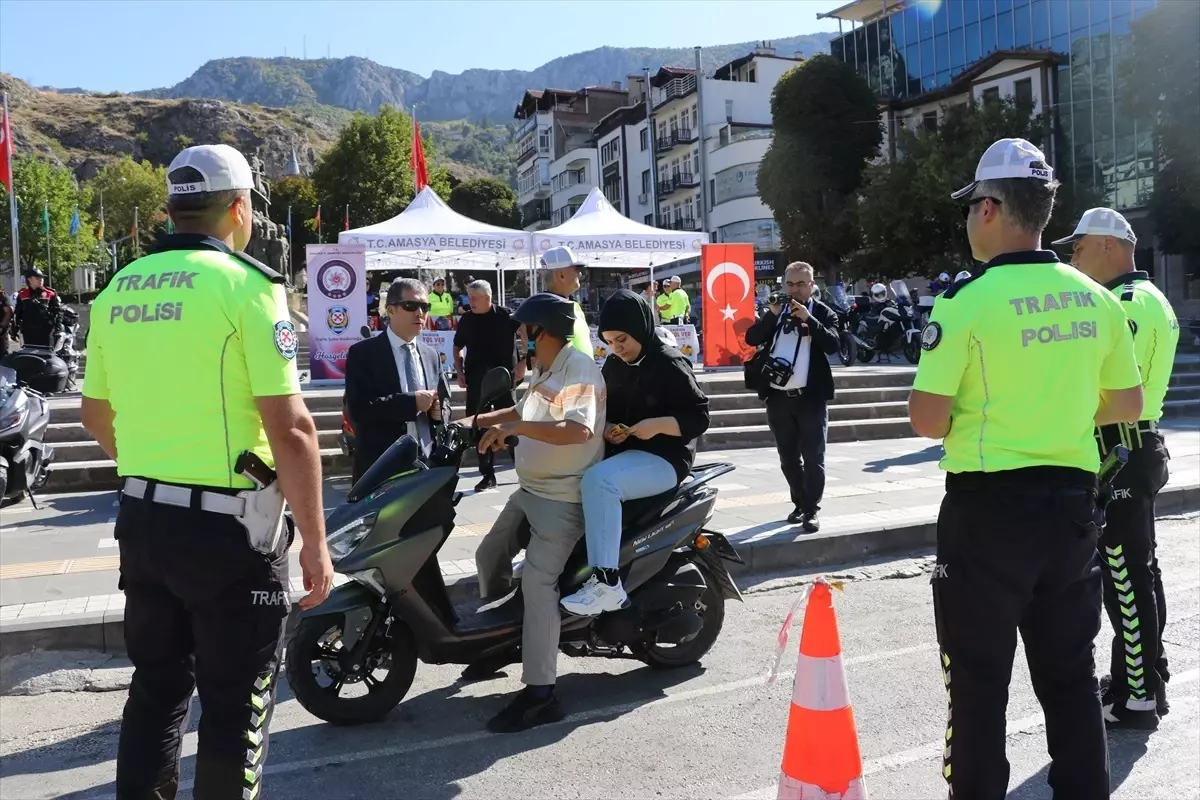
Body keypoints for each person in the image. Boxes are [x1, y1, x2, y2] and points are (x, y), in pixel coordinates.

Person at [80, 143, 334, 799]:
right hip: (230, 533)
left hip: (141, 522)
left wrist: (153, 467)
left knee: (156, 692)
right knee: (232, 706)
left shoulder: (117, 289)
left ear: (170, 210)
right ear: (240, 209)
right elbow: (293, 428)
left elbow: (93, 415)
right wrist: (317, 545)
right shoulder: (247, 287)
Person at [909, 138, 1143, 798]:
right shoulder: (1095, 298)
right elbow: (1125, 402)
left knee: (979, 685)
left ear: (989, 208)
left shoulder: (967, 301)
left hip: (987, 514)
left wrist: (995, 413)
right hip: (1071, 507)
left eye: (969, 209)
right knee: (1070, 679)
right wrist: (1057, 411)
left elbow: (926, 419)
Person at [1054, 207, 1181, 729]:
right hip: (1139, 446)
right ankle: (1148, 672)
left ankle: (1136, 694)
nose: (1073, 258)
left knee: (1124, 579)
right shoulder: (1152, 297)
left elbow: (1109, 383)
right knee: (1141, 573)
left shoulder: (1124, 302)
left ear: (1107, 246)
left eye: (1078, 248)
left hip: (1119, 449)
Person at [466, 293, 606, 732]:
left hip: (562, 500)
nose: (521, 339)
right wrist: (474, 423)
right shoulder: (548, 368)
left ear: (541, 331)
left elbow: (578, 429)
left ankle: (542, 693)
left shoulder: (578, 367)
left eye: (525, 331)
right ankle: (505, 641)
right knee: (489, 555)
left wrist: (516, 429)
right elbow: (522, 412)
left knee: (538, 582)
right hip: (530, 490)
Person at [559, 289, 710, 615]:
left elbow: (699, 417)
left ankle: (605, 583)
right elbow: (604, 408)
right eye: (610, 342)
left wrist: (657, 425)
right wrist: (610, 425)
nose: (617, 348)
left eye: (622, 339)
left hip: (665, 459)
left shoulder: (670, 363)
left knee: (600, 482)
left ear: (641, 328)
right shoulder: (614, 364)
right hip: (626, 454)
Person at [744, 262, 840, 532]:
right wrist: (772, 316)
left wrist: (810, 318)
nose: (794, 290)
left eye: (800, 284)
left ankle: (812, 509)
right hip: (777, 398)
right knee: (788, 458)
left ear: (812, 286)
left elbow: (834, 344)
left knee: (813, 458)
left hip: (811, 398)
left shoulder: (823, 312)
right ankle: (799, 503)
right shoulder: (775, 309)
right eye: (789, 284)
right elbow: (751, 338)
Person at [343, 278, 450, 484]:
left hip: (426, 464)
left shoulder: (431, 355)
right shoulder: (363, 354)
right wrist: (412, 403)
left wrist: (439, 414)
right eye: (411, 306)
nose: (420, 313)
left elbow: (443, 404)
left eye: (425, 306)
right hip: (381, 466)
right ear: (390, 310)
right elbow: (359, 409)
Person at [453, 278, 526, 492]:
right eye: (469, 298)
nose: (471, 302)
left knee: (511, 423)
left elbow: (526, 331)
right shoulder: (466, 320)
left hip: (504, 379)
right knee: (479, 427)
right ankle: (487, 475)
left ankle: (523, 471)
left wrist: (524, 360)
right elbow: (457, 347)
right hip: (477, 381)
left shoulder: (507, 316)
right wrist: (459, 371)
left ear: (488, 298)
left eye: (475, 298)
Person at [539, 246, 593, 356]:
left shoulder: (567, 305)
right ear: (561, 275)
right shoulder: (549, 310)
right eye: (576, 270)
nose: (580, 274)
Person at [13, 266, 61, 347]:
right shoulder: (22, 294)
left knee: (45, 355)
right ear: (29, 279)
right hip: (28, 330)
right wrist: (14, 330)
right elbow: (18, 313)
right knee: (30, 355)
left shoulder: (50, 293)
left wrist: (58, 327)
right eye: (38, 278)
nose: (41, 280)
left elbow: (58, 311)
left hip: (46, 330)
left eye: (42, 278)